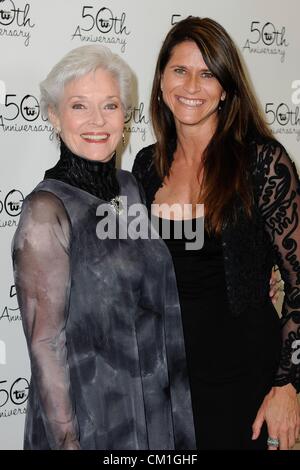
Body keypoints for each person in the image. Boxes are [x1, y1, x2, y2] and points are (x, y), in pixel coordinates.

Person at [12, 45, 196, 450]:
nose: (97, 121)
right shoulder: (46, 211)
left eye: (110, 105)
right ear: (54, 116)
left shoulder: (131, 187)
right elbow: (45, 345)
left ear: (124, 117)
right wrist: (67, 442)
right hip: (90, 421)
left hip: (152, 408)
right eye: (80, 106)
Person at [132, 17, 300, 450]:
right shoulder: (146, 167)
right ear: (161, 81)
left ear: (226, 88)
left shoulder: (262, 162)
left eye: (208, 73)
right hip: (167, 383)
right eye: (180, 70)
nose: (192, 84)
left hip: (245, 382)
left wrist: (289, 386)